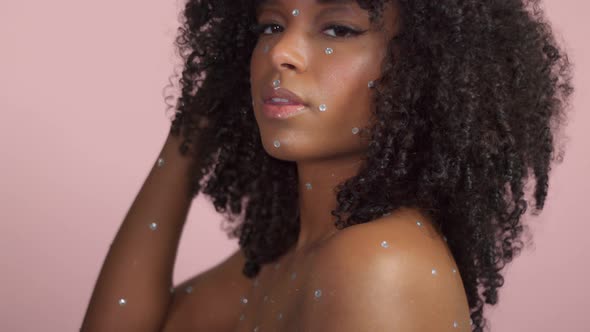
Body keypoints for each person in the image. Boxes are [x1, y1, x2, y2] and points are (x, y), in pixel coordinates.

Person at [81, 0, 574, 331]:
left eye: (338, 29)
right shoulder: (291, 257)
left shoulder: (379, 265)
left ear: (425, 68)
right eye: (271, 25)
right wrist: (189, 134)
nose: (281, 52)